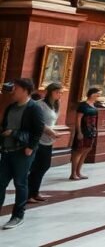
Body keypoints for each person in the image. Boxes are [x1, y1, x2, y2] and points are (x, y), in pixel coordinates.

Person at [0, 78, 44, 230]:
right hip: (6, 150)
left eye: (16, 89)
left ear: (25, 91)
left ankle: (18, 215)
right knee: (0, 183)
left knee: (20, 183)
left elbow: (38, 130)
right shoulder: (11, 107)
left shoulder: (34, 108)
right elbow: (4, 125)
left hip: (22, 151)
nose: (13, 91)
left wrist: (31, 147)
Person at [27, 83, 61, 204]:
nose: (60, 94)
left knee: (44, 166)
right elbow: (38, 122)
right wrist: (50, 131)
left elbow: (52, 121)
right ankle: (28, 194)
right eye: (57, 92)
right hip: (38, 140)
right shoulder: (39, 104)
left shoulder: (56, 105)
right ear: (50, 92)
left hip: (49, 140)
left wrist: (54, 132)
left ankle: (35, 192)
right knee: (35, 167)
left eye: (60, 92)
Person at [70, 87, 102, 181]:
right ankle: (73, 173)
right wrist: (79, 132)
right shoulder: (83, 106)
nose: (99, 96)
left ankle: (78, 172)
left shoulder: (94, 105)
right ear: (92, 94)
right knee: (78, 151)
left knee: (86, 151)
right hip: (83, 130)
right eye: (98, 94)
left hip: (91, 131)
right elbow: (78, 119)